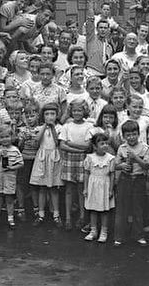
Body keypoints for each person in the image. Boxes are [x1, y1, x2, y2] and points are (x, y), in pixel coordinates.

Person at [114, 119, 149, 247]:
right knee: (122, 209)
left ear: (139, 134)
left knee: (138, 209)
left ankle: (139, 235)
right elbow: (116, 165)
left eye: (134, 134)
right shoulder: (122, 148)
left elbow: (147, 165)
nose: (131, 137)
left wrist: (135, 157)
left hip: (138, 180)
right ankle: (119, 236)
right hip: (125, 180)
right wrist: (122, 165)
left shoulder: (144, 148)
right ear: (124, 136)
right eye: (128, 135)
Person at [59, 99, 93, 232]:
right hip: (69, 159)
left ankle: (82, 217)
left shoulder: (88, 126)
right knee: (69, 190)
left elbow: (87, 146)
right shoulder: (67, 126)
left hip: (82, 160)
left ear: (84, 111)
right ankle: (67, 217)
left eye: (80, 110)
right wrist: (79, 149)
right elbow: (62, 145)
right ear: (71, 112)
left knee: (81, 190)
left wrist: (71, 144)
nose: (77, 113)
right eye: (74, 111)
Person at [30, 102, 64, 226]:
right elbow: (37, 141)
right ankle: (41, 214)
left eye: (52, 114)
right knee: (42, 188)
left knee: (54, 188)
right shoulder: (40, 128)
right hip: (42, 158)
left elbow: (57, 142)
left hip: (54, 158)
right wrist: (45, 126)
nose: (50, 116)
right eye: (47, 114)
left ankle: (56, 214)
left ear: (56, 115)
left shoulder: (59, 128)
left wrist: (53, 127)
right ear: (43, 116)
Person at [0, 127, 24, 230]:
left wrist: (12, 167)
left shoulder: (15, 150)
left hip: (10, 178)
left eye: (7, 136)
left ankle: (10, 219)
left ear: (12, 137)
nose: (5, 139)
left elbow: (21, 163)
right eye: (2, 137)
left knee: (9, 199)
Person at [82, 132, 116, 243]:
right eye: (102, 143)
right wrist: (86, 188)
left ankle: (104, 231)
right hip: (93, 185)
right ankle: (93, 231)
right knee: (93, 210)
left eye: (106, 143)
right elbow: (86, 173)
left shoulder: (110, 158)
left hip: (105, 185)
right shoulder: (90, 158)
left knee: (104, 210)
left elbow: (112, 174)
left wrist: (111, 189)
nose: (105, 145)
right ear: (95, 146)